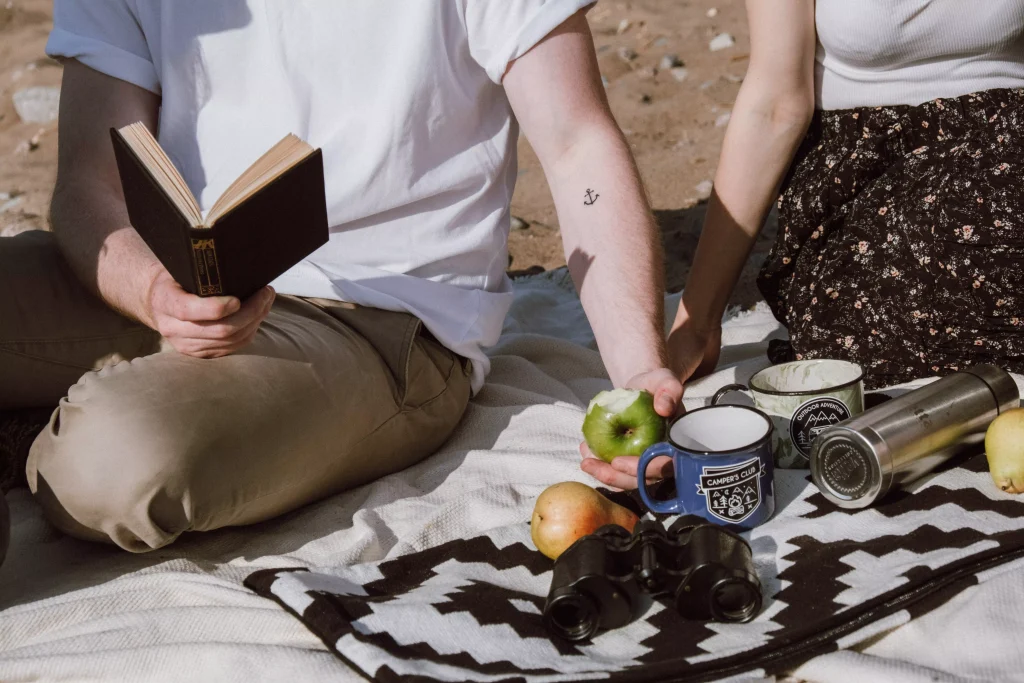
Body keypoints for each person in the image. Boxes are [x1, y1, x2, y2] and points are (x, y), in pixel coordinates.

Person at [0, 0, 684, 553]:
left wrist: (639, 372)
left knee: (106, 464)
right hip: (167, 268)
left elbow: (577, 149)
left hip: (380, 317)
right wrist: (151, 290)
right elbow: (92, 181)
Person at [584, 0, 1024, 490]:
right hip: (876, 177)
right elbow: (774, 105)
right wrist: (697, 321)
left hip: (1007, 153)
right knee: (874, 323)